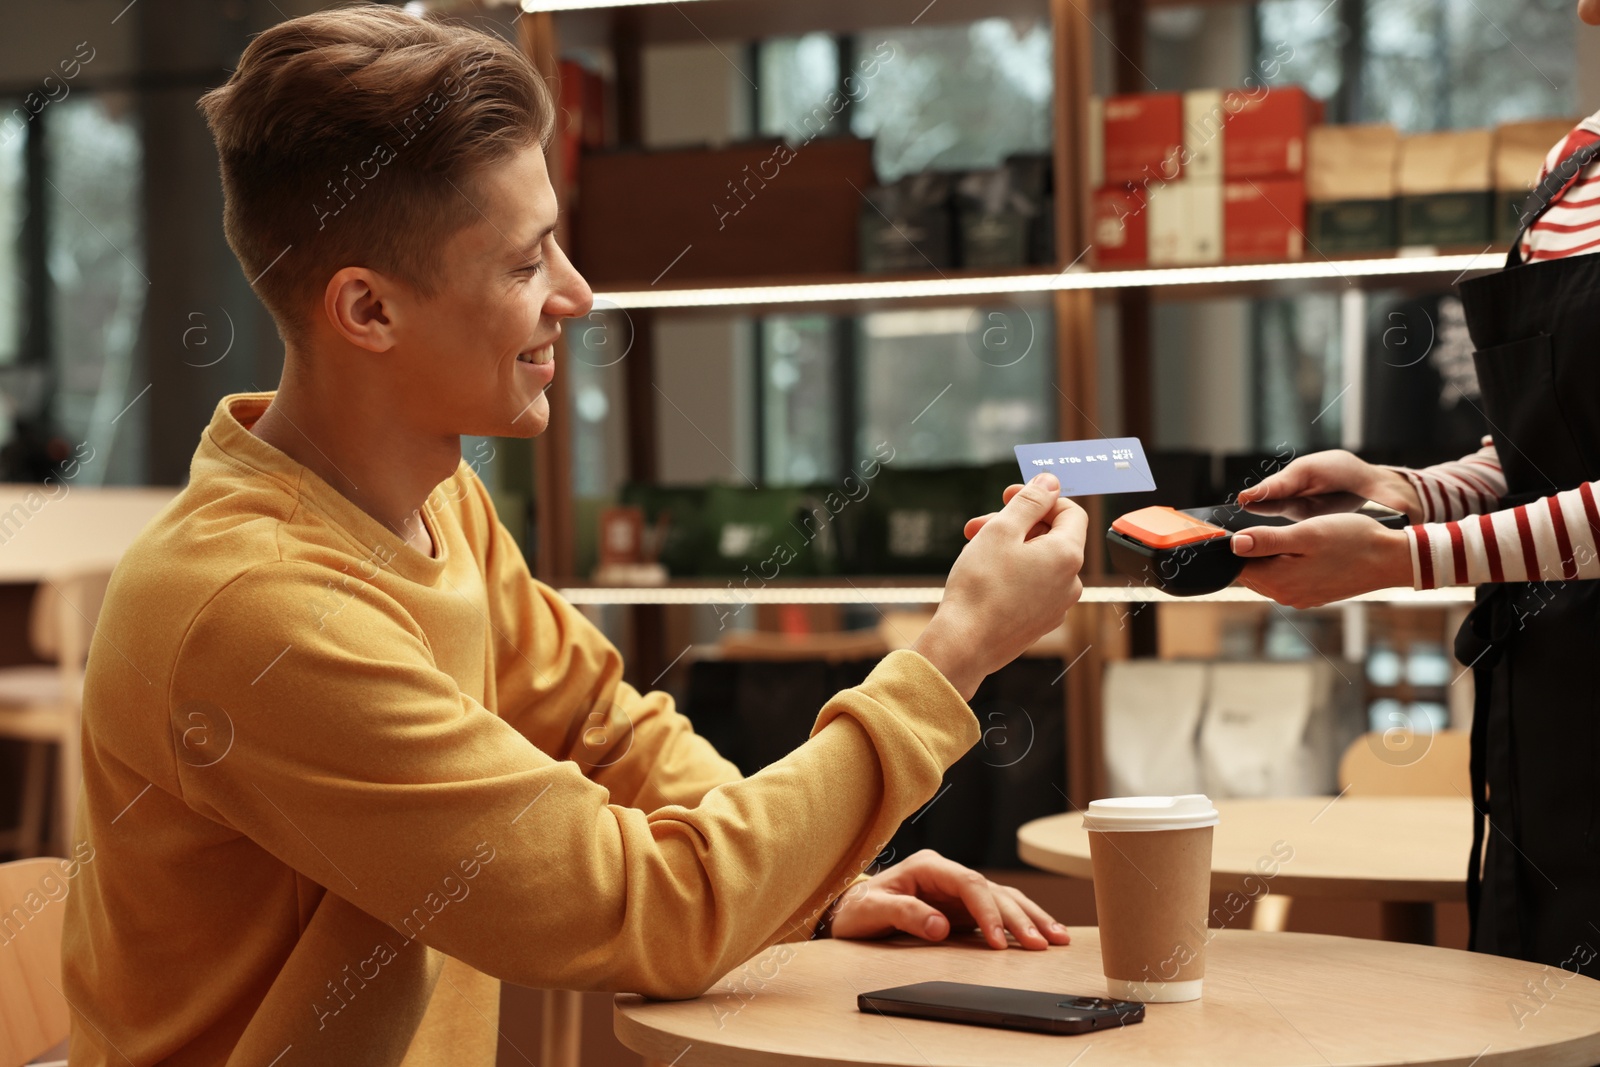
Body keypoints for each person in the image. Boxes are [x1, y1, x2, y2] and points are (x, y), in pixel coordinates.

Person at [58, 8, 1088, 1064]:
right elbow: (647, 906)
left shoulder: (435, 501)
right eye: (522, 262)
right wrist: (953, 649)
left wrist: (820, 878)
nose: (576, 294)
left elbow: (606, 732)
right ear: (366, 310)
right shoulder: (257, 610)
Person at [1229, 0, 1600, 970]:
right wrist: (1396, 486)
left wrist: (1405, 555)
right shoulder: (1574, 164)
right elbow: (1534, 455)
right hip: (1552, 697)